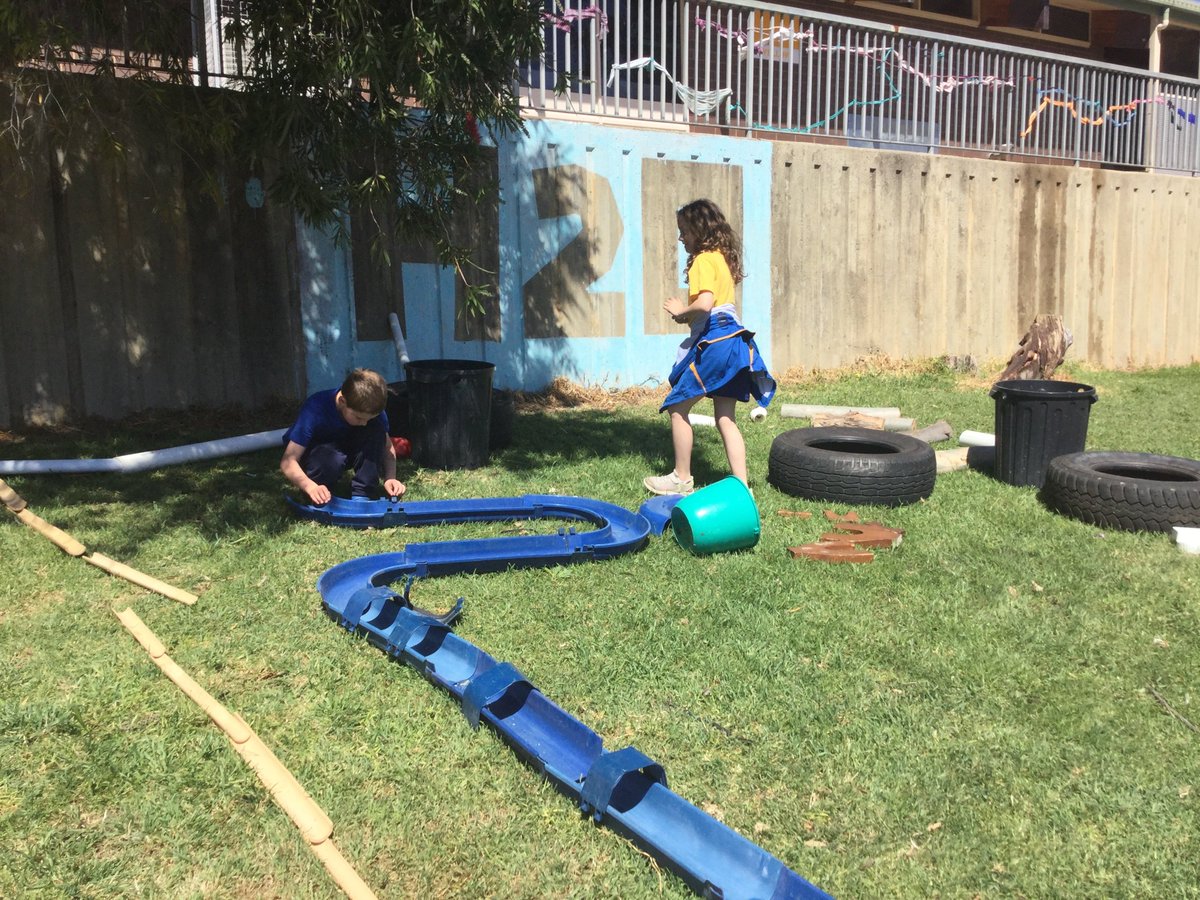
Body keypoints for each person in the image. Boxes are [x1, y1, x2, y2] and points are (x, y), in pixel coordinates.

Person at [643, 199, 776, 496]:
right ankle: (742, 487)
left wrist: (681, 311)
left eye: (684, 231)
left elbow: (704, 305)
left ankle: (682, 477)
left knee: (677, 406)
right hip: (737, 341)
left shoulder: (703, 259)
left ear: (700, 231)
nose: (681, 238)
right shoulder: (721, 259)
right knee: (725, 417)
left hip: (716, 340)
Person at [281, 368, 406, 505]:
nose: (364, 423)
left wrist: (390, 478)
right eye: (359, 418)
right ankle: (321, 491)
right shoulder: (316, 408)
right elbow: (288, 461)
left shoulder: (371, 411)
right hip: (317, 454)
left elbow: (387, 449)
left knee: (376, 431)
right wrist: (310, 486)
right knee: (331, 460)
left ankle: (363, 494)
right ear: (342, 402)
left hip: (347, 447)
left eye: (369, 419)